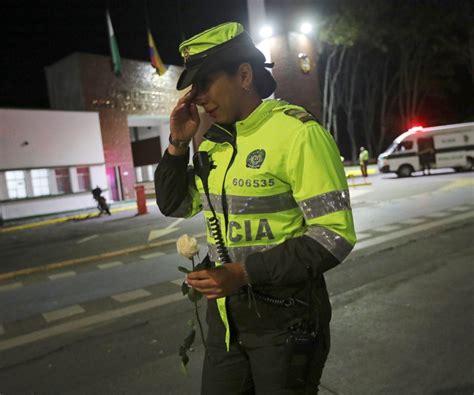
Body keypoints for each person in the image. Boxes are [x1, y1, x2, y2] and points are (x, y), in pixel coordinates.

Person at [155, 22, 356, 394]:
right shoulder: (212, 143)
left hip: (286, 324)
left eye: (204, 84)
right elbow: (176, 205)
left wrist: (244, 273)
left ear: (244, 75)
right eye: (193, 88)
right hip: (227, 326)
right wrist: (177, 146)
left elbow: (334, 236)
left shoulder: (298, 134)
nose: (197, 98)